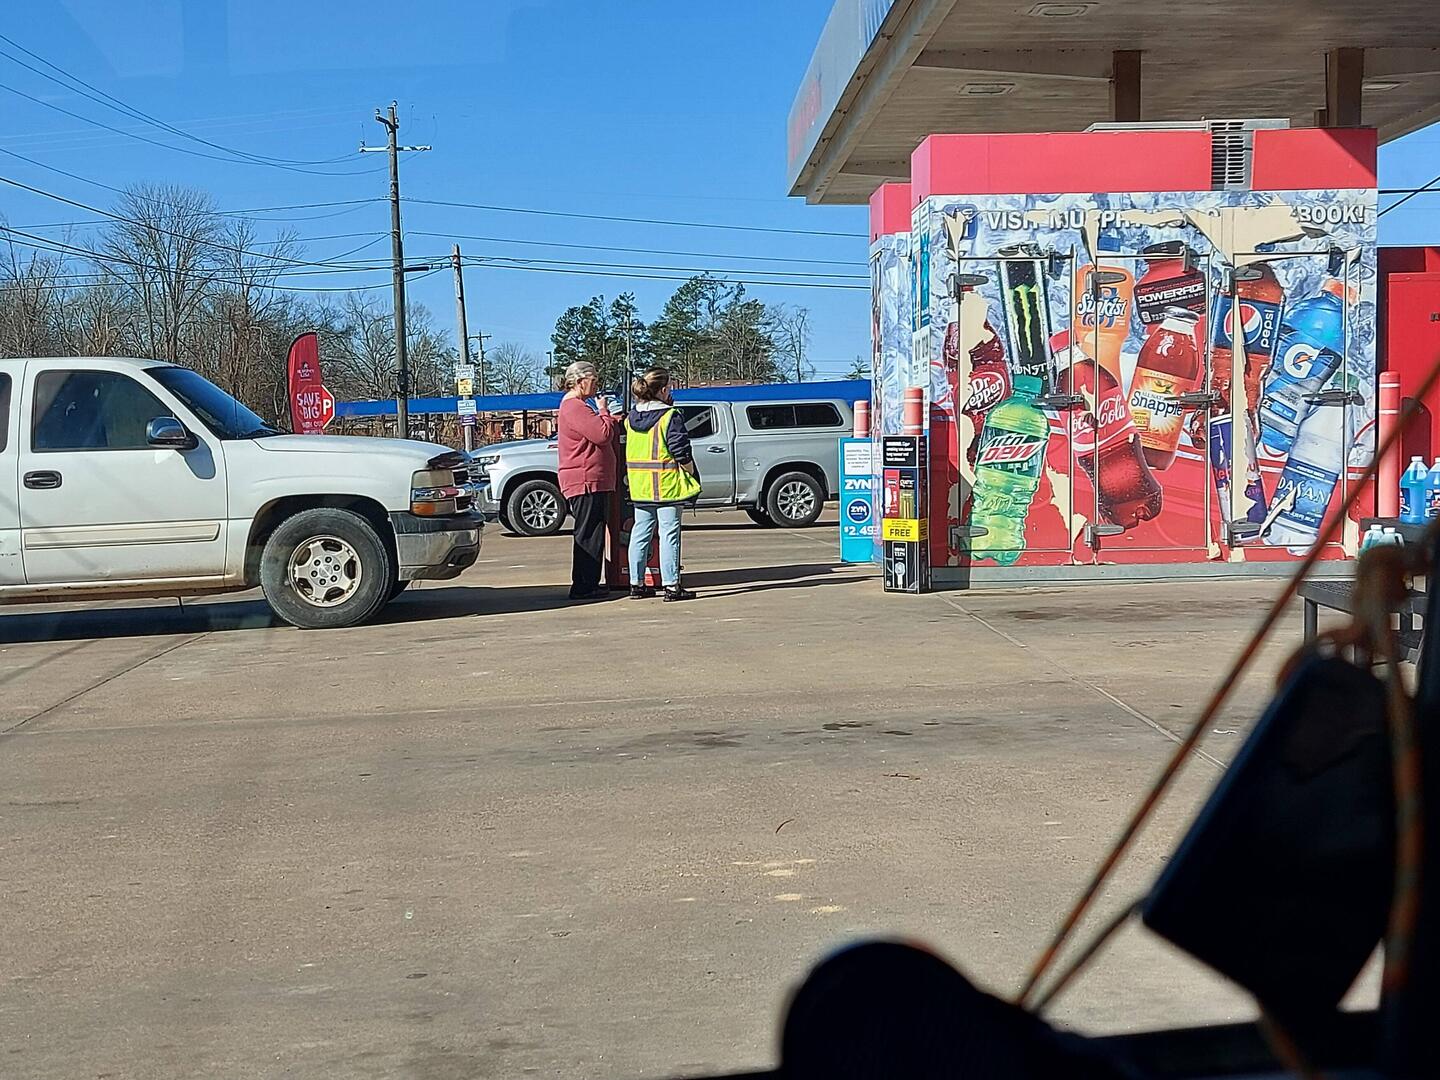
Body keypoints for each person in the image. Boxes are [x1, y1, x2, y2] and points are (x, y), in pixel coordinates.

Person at [625, 367, 699, 602]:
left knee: (640, 534)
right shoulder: (670, 416)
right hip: (666, 486)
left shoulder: (630, 417)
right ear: (664, 389)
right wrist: (692, 472)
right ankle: (671, 586)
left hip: (640, 487)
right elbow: (681, 451)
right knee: (669, 535)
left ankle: (636, 584)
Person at [556, 360, 618, 601]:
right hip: (585, 479)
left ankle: (588, 581)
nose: (597, 385)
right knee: (589, 533)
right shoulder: (575, 407)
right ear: (581, 381)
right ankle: (584, 585)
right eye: (594, 380)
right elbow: (601, 434)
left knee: (591, 531)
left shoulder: (577, 405)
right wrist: (605, 412)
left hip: (589, 478)